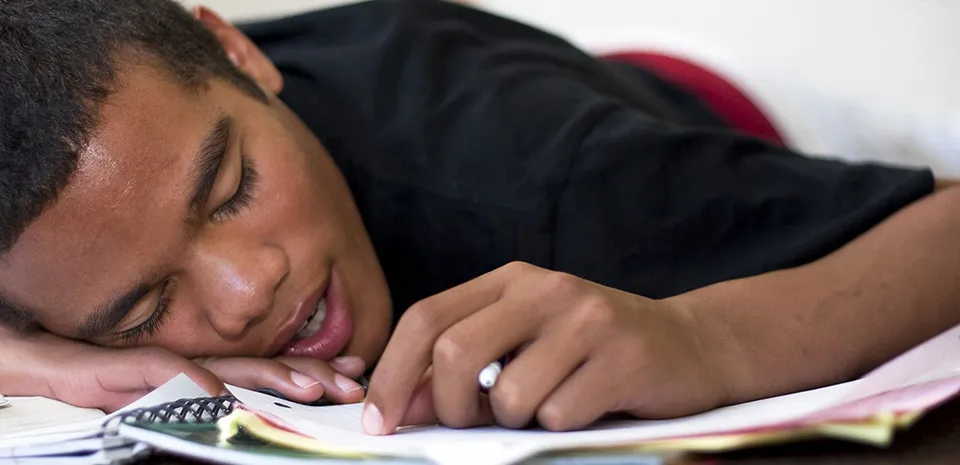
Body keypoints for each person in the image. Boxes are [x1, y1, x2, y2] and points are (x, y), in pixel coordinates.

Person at [1, 0, 958, 437]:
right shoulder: (114, 181)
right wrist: (37, 361)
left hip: (733, 122)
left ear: (236, 50)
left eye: (234, 187)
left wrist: (710, 337)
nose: (248, 292)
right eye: (137, 310)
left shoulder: (545, 181)